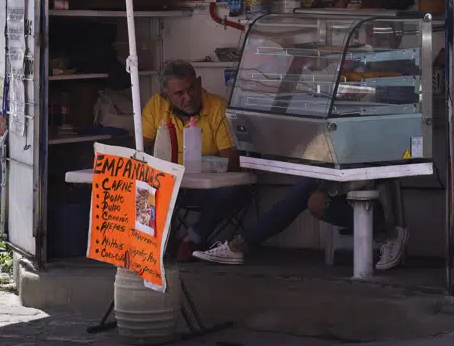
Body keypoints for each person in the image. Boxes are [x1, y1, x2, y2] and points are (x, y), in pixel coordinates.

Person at [142, 60, 248, 262]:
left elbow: (232, 160)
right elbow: (139, 146)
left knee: (231, 191)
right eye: (179, 94)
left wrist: (200, 165)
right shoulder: (157, 105)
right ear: (166, 96)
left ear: (199, 83)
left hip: (207, 188)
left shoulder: (217, 107)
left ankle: (193, 238)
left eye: (191, 89)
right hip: (169, 185)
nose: (188, 97)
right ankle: (155, 241)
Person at [193, 177, 409, 271]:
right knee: (308, 193)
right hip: (340, 156)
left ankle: (386, 231)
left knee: (308, 194)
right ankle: (239, 244)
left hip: (370, 161)